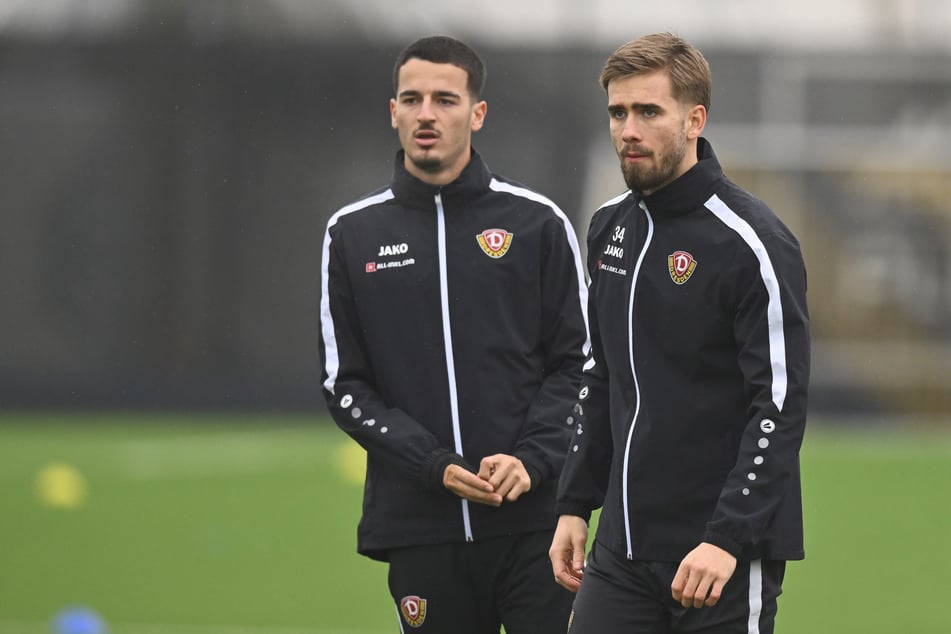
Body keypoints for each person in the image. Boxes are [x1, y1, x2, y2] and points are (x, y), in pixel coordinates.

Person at [318, 35, 588, 633]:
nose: (426, 114)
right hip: (422, 528)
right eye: (411, 99)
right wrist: (432, 463)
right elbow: (344, 385)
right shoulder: (353, 234)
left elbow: (580, 365)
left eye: (445, 99)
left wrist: (533, 461)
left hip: (535, 526)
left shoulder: (537, 223)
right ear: (393, 112)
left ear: (477, 113)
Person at [549, 32, 810, 633]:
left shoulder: (755, 242)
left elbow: (777, 404)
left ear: (695, 120)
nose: (628, 130)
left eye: (648, 112)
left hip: (717, 556)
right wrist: (572, 503)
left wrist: (727, 538)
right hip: (619, 551)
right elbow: (600, 372)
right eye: (618, 112)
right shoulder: (608, 229)